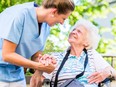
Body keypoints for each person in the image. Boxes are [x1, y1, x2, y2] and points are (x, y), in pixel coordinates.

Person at [0, 0, 75, 87]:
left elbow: (36, 56)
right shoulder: (20, 14)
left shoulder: (46, 26)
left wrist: (45, 62)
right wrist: (38, 66)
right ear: (54, 12)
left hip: (17, 75)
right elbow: (7, 55)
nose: (62, 23)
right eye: (63, 18)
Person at [38, 19, 116, 87]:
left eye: (79, 32)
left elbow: (113, 72)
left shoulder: (92, 55)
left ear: (86, 42)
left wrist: (107, 72)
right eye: (73, 30)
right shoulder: (55, 58)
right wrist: (40, 68)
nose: (74, 32)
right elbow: (38, 82)